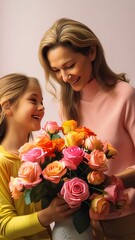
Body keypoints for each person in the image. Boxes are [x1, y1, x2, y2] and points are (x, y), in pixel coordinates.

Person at [38, 18, 135, 240]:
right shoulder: (67, 104)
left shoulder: (125, 96)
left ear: (91, 53)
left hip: (129, 219)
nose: (64, 77)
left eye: (69, 65)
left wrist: (115, 181)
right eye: (56, 70)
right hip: (87, 224)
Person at [0, 73, 78, 240]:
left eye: (41, 102)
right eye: (33, 100)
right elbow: (4, 226)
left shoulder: (43, 157)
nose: (42, 107)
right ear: (7, 107)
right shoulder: (2, 162)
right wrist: (48, 215)